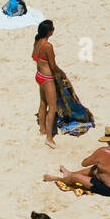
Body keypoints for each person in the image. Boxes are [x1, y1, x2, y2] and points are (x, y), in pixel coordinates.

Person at [43, 125, 110, 196]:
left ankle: (58, 179)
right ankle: (69, 173)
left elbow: (84, 163)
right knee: (96, 169)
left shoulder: (103, 151)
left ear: (107, 140)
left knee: (76, 177)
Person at [31, 19, 62, 149]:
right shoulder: (48, 46)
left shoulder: (37, 42)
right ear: (49, 32)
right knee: (52, 108)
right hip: (47, 78)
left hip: (39, 76)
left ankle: (42, 129)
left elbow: (33, 56)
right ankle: (49, 138)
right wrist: (61, 74)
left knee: (43, 103)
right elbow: (53, 66)